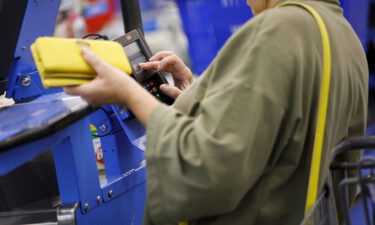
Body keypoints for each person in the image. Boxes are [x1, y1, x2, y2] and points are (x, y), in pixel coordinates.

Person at [64, 0, 369, 224]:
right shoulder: (340, 31)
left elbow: (205, 167)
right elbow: (284, 129)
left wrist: (128, 93)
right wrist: (199, 98)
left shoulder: (280, 29)